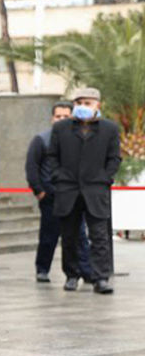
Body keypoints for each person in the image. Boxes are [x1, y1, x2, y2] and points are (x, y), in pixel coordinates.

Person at [46, 87, 121, 294]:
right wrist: (58, 177)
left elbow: (114, 158)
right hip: (68, 190)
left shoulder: (109, 129)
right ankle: (72, 275)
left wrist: (105, 178)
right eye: (78, 103)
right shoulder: (61, 129)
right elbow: (52, 156)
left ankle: (100, 278)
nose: (82, 107)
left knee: (99, 237)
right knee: (69, 236)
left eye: (87, 103)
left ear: (98, 105)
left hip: (96, 190)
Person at [26, 101, 93, 284]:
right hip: (51, 198)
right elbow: (32, 167)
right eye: (58, 116)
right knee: (49, 235)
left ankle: (86, 271)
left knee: (79, 237)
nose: (61, 119)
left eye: (65, 116)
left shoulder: (79, 139)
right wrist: (40, 191)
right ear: (52, 118)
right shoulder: (41, 139)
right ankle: (42, 269)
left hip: (74, 197)